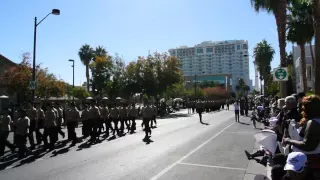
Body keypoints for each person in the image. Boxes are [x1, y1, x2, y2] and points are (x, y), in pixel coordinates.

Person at [283, 95, 320, 179]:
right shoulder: (313, 121)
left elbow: (307, 145)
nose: (302, 108)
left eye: (304, 105)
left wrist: (289, 140)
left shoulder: (313, 123)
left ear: (311, 108)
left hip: (308, 164)